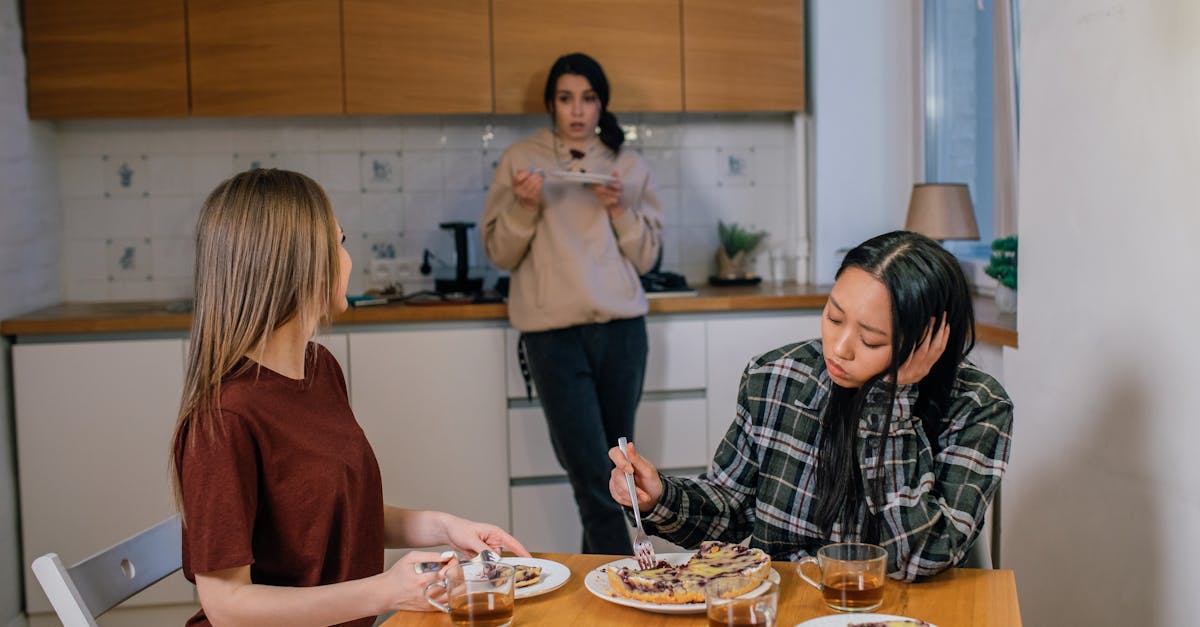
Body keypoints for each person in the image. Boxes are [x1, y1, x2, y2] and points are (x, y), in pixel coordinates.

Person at [169, 169, 529, 627]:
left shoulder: (319, 369)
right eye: (339, 243)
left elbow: (329, 521)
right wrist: (384, 592)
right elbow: (227, 607)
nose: (348, 259)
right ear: (294, 264)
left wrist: (444, 527)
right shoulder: (223, 420)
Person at [608, 230, 1013, 581]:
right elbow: (729, 510)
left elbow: (918, 560)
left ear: (929, 343)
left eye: (871, 341)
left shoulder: (978, 407)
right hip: (789, 608)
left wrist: (894, 402)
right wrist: (658, 497)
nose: (839, 348)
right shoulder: (777, 375)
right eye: (834, 318)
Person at [482, 52, 664, 555]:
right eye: (566, 98)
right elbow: (499, 252)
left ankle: (608, 589)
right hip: (552, 337)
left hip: (623, 334)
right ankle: (627, 583)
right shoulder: (521, 160)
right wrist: (522, 206)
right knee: (592, 476)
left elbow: (647, 257)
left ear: (602, 104)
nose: (578, 110)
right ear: (551, 105)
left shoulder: (628, 166)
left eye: (587, 98)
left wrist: (622, 209)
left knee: (619, 478)